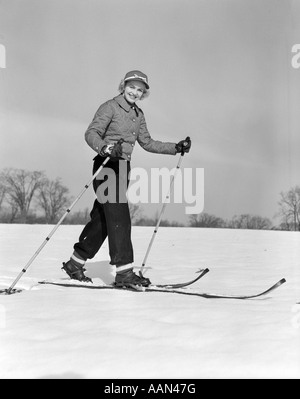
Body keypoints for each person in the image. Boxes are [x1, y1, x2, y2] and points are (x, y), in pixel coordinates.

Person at [62, 70, 191, 287]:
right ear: (123, 86)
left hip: (123, 168)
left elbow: (148, 143)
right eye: (132, 87)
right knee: (120, 216)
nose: (135, 92)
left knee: (104, 219)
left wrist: (175, 148)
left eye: (140, 90)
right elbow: (91, 133)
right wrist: (106, 147)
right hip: (106, 165)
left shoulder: (138, 115)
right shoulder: (110, 107)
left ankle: (75, 263)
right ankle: (124, 273)